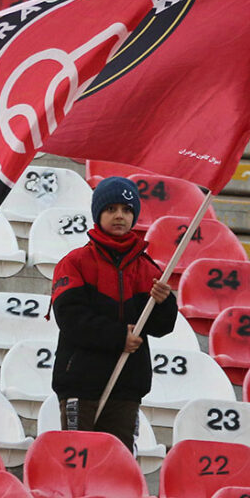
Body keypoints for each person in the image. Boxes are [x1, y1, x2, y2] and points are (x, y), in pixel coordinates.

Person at [49, 176, 178, 453]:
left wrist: (165, 302)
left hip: (126, 387)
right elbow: (70, 319)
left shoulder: (148, 269)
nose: (119, 215)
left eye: (127, 210)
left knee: (116, 466)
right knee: (78, 466)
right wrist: (119, 337)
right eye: (111, 209)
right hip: (80, 384)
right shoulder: (74, 263)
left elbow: (162, 326)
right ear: (98, 214)